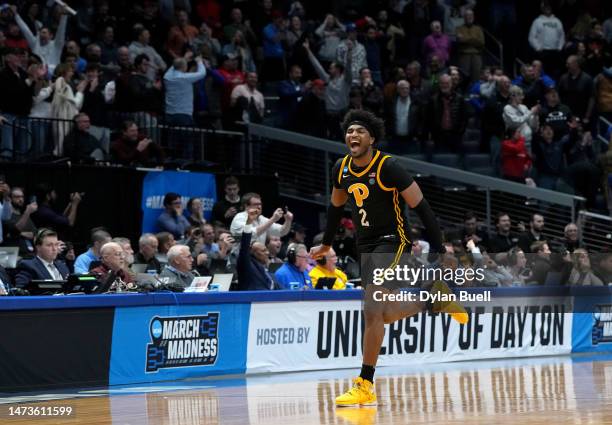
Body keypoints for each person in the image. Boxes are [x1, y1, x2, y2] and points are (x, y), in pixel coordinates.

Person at [309, 110, 468, 406]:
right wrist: (326, 244)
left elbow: (421, 206)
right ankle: (433, 299)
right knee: (383, 314)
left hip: (394, 242)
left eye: (360, 131)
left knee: (370, 309)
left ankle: (365, 383)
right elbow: (335, 209)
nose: (353, 135)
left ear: (372, 138)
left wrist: (438, 247)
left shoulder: (388, 166)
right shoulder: (341, 168)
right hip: (366, 245)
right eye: (350, 131)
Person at [12, 4, 68, 72]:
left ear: (51, 36)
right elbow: (25, 30)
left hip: (54, 76)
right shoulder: (35, 43)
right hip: (37, 75)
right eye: (41, 32)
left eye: (44, 32)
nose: (42, 34)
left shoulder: (56, 45)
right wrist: (16, 15)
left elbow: (61, 32)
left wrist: (64, 16)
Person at [236, 207, 280, 291]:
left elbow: (277, 288)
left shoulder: (267, 267)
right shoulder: (247, 264)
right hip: (252, 301)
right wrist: (249, 222)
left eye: (266, 250)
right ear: (253, 253)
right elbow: (244, 247)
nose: (267, 253)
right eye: (263, 251)